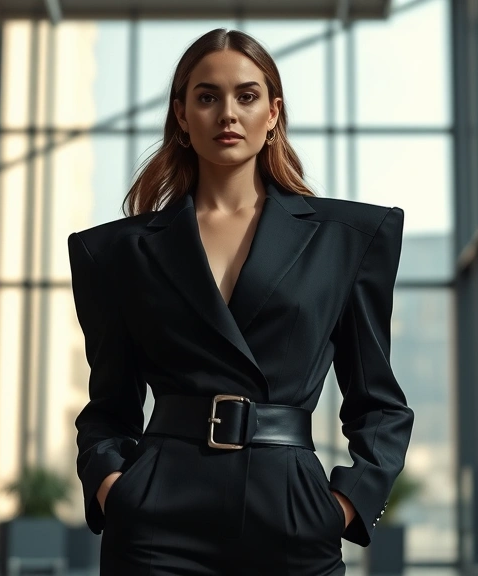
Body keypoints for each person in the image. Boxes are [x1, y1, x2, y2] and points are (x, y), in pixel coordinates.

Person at [67, 28, 414, 575]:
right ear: (182, 115)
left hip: (293, 514)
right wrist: (114, 486)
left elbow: (378, 401)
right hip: (159, 521)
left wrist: (345, 505)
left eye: (246, 96)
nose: (227, 113)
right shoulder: (114, 252)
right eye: (207, 97)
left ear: (273, 113)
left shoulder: (349, 237)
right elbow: (109, 406)